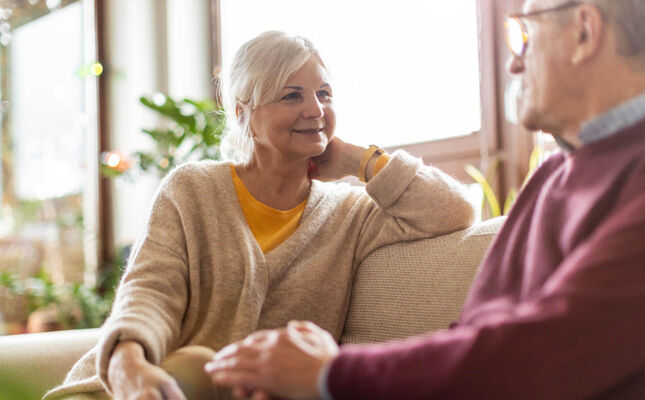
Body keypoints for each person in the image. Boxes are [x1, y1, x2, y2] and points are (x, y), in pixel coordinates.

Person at [205, 0, 645, 399]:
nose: (513, 62)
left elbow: (542, 352)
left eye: (524, 33)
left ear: (584, 31)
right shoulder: (553, 174)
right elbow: (474, 334)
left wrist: (331, 372)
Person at [43, 31, 474, 400]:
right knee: (190, 369)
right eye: (292, 95)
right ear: (243, 114)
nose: (316, 109)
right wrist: (128, 366)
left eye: (324, 93)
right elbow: (150, 291)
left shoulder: (350, 214)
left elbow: (455, 210)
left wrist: (360, 161)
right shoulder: (191, 189)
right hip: (150, 385)